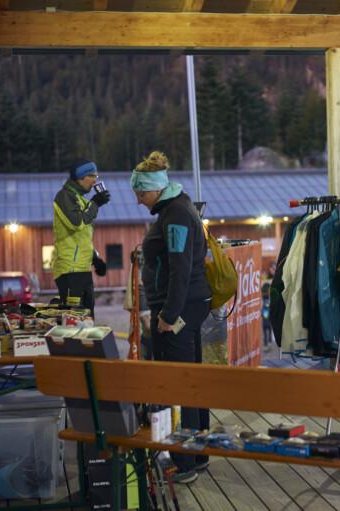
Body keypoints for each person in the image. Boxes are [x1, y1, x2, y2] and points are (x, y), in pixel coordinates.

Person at [131, 151, 212, 484]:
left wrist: (167, 315)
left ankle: (184, 462)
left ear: (155, 189)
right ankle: (199, 453)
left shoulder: (176, 214)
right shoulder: (176, 207)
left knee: (180, 384)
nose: (138, 200)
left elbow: (180, 269)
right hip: (188, 304)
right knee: (192, 379)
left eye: (141, 193)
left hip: (180, 307)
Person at [52, 158, 110, 317]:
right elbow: (77, 223)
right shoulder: (64, 196)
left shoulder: (81, 199)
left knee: (88, 319)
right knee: (74, 320)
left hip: (82, 269)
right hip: (70, 269)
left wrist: (95, 259)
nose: (95, 180)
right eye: (91, 176)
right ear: (79, 177)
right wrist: (95, 203)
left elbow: (81, 238)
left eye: (96, 176)